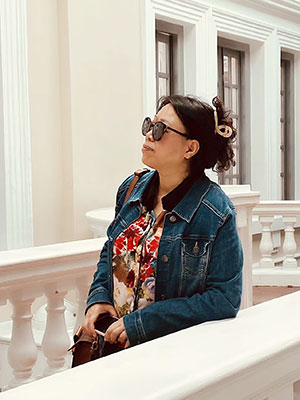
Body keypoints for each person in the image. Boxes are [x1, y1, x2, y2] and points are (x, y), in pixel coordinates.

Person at [82, 95, 243, 350]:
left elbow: (225, 298)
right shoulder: (131, 188)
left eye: (160, 130)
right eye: (149, 125)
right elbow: (110, 250)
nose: (148, 135)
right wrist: (99, 296)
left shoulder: (215, 211)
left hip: (166, 353)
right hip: (112, 347)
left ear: (190, 148)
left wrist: (144, 322)